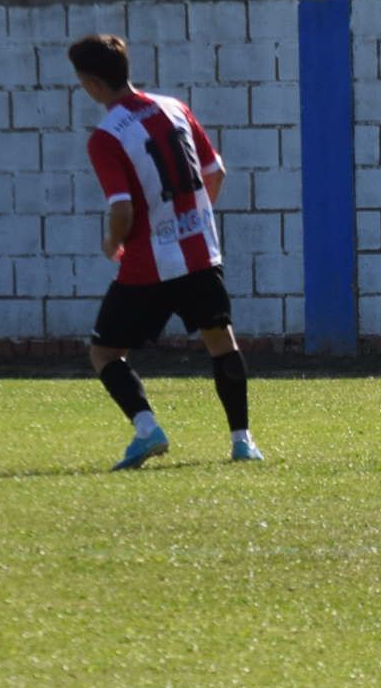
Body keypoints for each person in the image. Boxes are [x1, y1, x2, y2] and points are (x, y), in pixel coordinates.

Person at [69, 33, 262, 469]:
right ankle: (243, 441)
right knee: (221, 342)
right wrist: (192, 219)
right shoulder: (174, 108)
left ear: (92, 83)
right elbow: (215, 172)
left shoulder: (105, 136)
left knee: (105, 352)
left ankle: (147, 430)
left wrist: (112, 241)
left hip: (147, 264)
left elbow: (122, 206)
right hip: (198, 254)